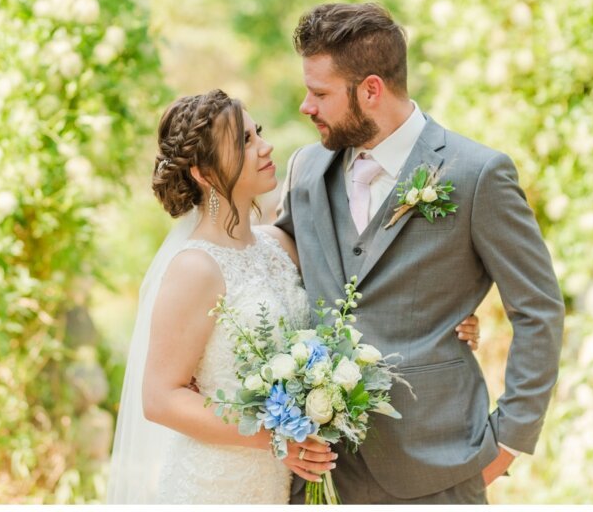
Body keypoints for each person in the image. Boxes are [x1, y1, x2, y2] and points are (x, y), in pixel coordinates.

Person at [106, 89, 481, 504]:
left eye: (258, 132)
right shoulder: (194, 268)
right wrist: (277, 438)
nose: (264, 147)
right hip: (215, 482)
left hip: (280, 482)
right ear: (203, 173)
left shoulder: (280, 247)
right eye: (244, 142)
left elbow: (364, 289)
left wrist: (450, 315)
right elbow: (161, 399)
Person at [276, 3, 565, 505]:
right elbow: (275, 275)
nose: (306, 106)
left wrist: (508, 441)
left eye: (320, 93)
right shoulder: (305, 169)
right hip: (320, 474)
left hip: (440, 468)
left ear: (371, 89)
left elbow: (538, 309)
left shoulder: (476, 174)